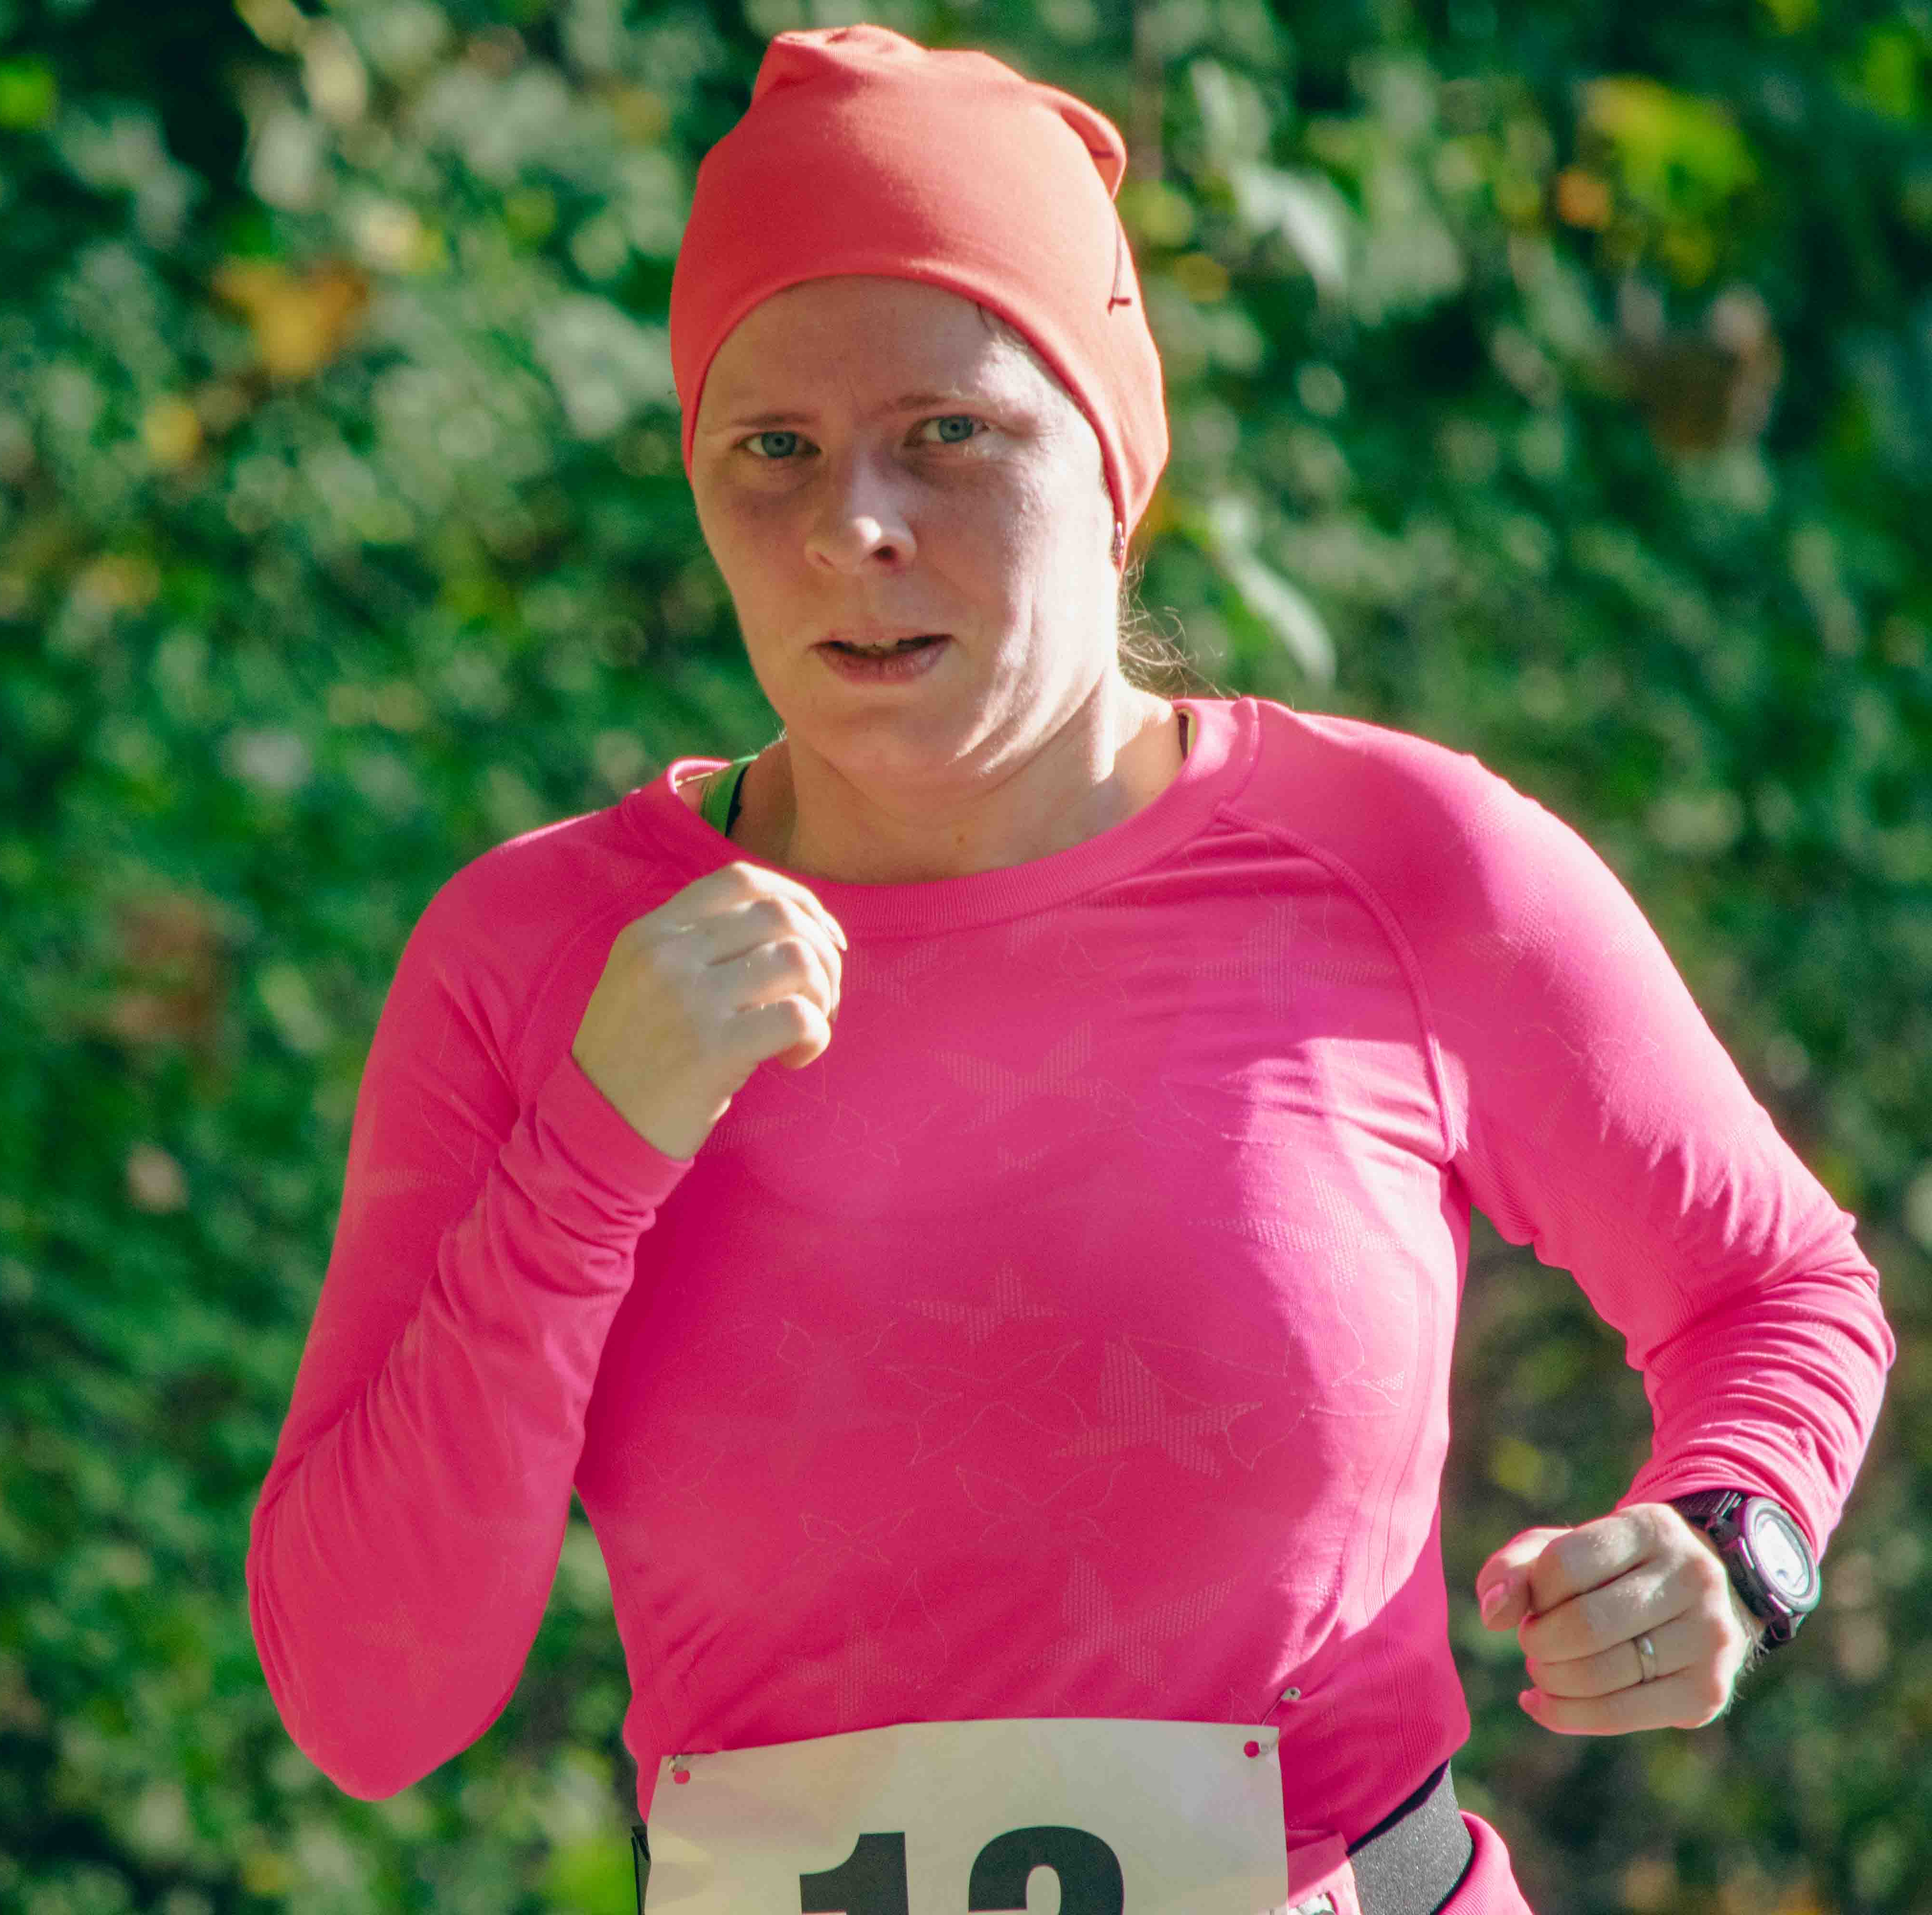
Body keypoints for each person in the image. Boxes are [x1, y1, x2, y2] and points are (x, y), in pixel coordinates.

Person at [243, 24, 1894, 1915]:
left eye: (949, 434)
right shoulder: (543, 957)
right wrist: (587, 1155)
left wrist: (1728, 1540)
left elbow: (1773, 1284)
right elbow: (366, 1701)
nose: (854, 526)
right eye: (773, 449)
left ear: (1111, 464)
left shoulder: (1404, 863)